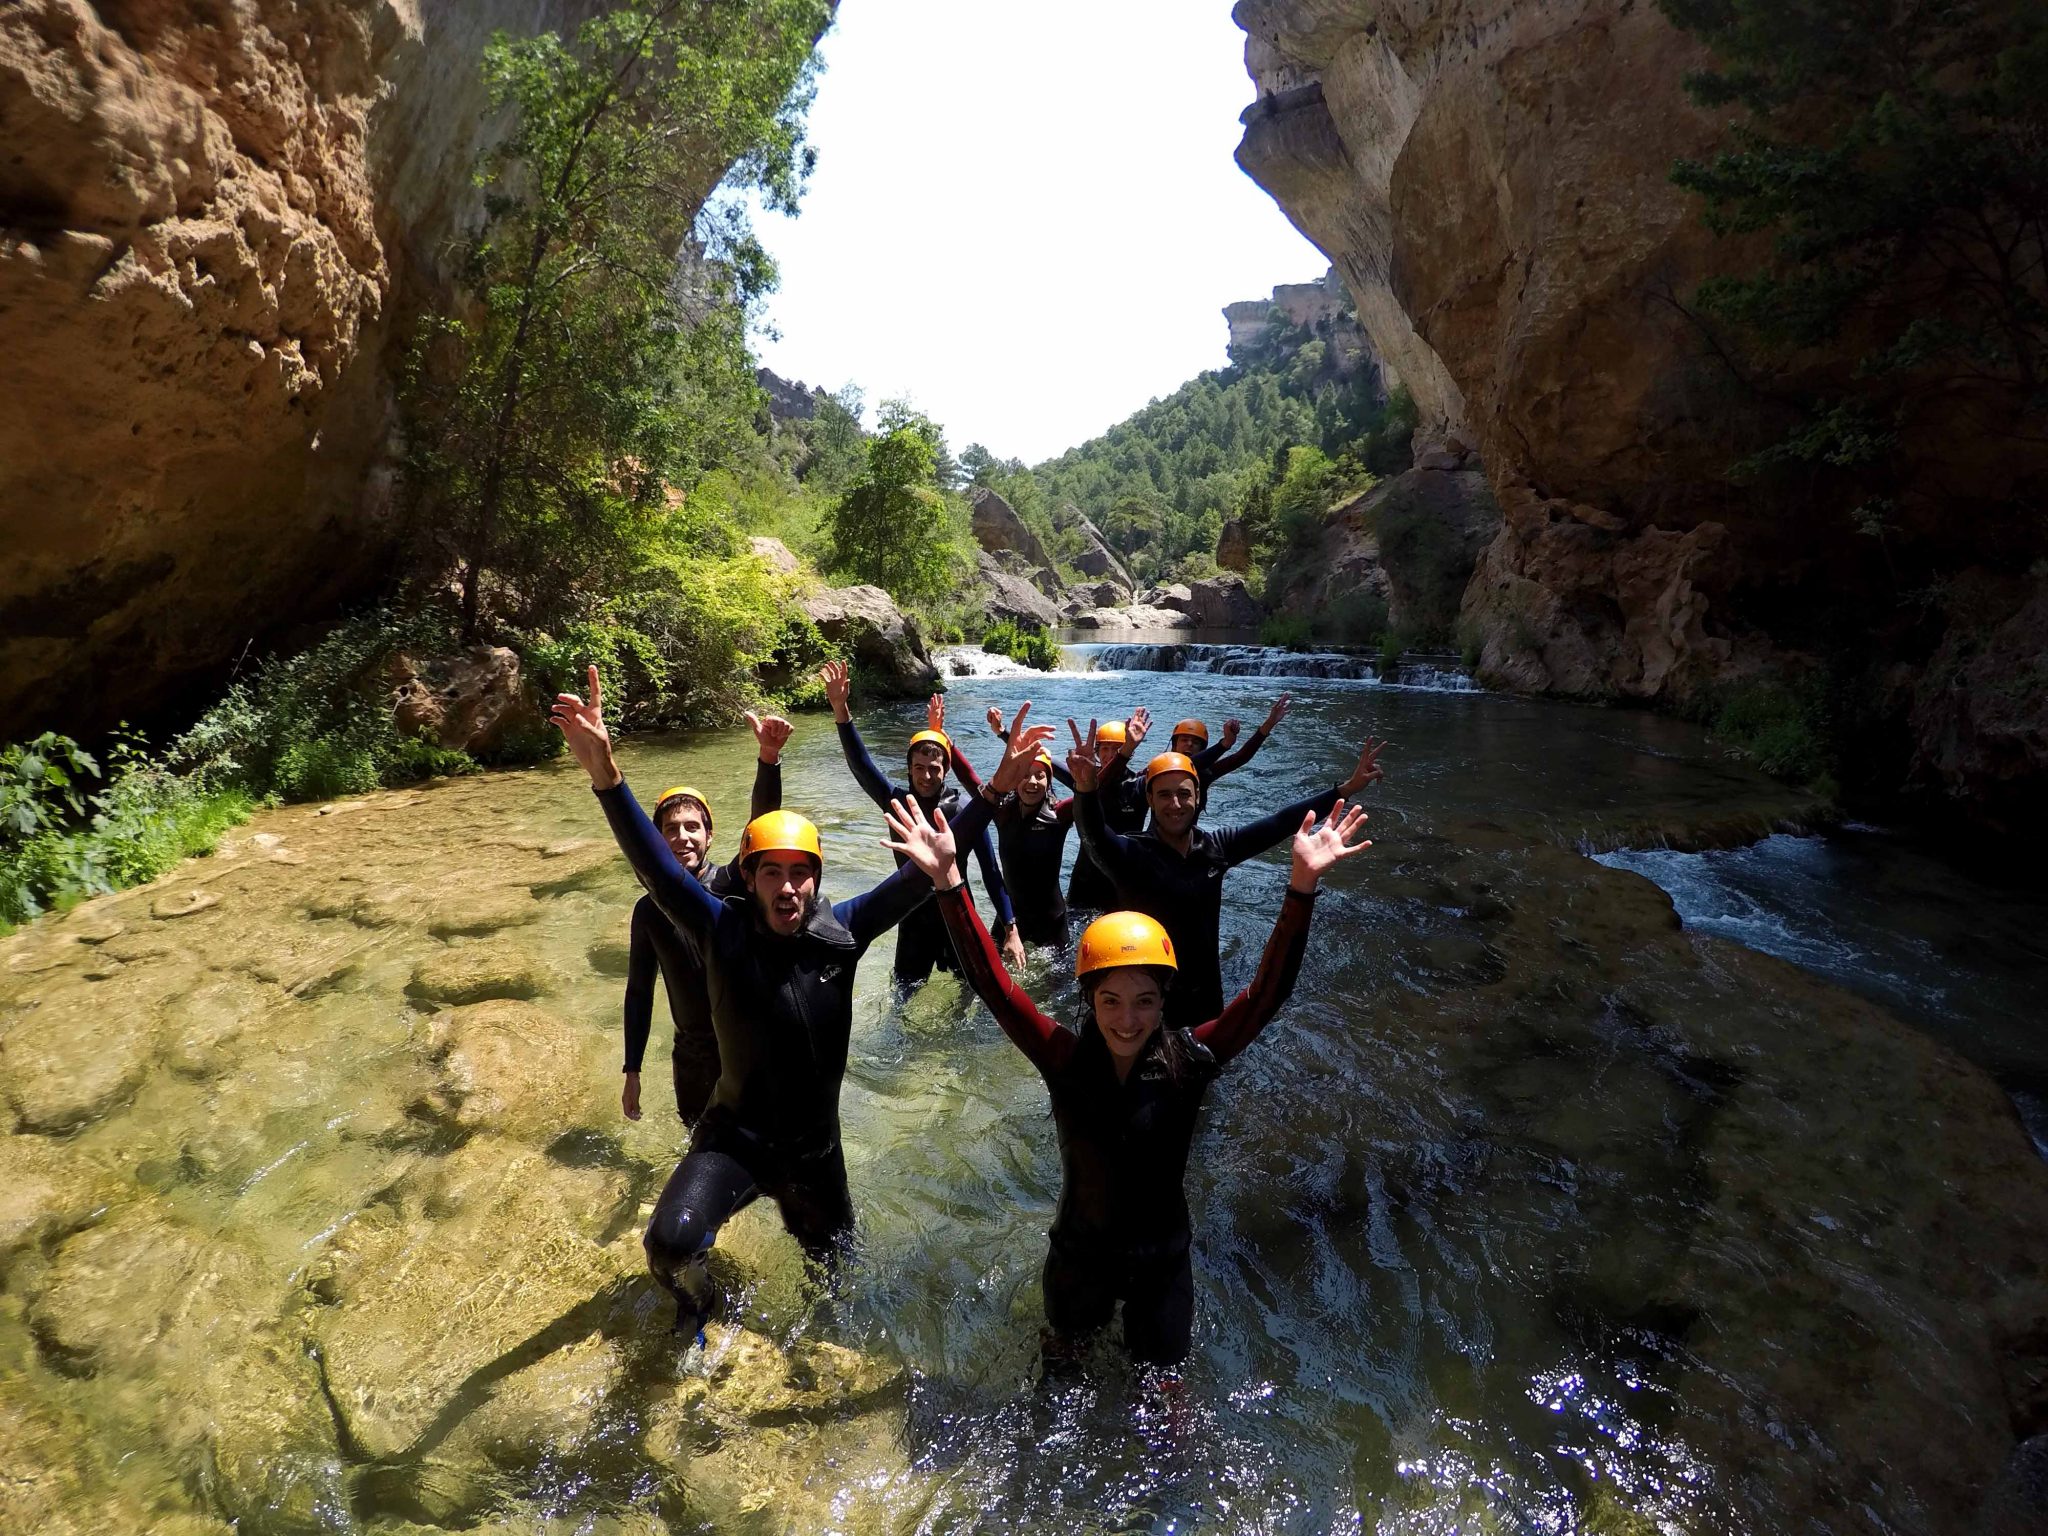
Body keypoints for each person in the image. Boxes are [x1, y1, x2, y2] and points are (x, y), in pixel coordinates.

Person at [552, 667, 1062, 1328]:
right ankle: (704, 1301)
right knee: (667, 1245)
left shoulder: (842, 934)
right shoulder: (719, 927)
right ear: (751, 878)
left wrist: (992, 792)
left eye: (801, 874)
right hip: (733, 1139)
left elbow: (924, 873)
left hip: (814, 1153)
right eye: (773, 873)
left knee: (839, 1281)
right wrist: (607, 777)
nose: (787, 888)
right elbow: (655, 871)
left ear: (816, 881)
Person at [882, 791, 1373, 1366]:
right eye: (1110, 1001)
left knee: (1167, 1410)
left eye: (1144, 1001)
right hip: (1077, 1258)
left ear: (1165, 1000)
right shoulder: (1063, 1059)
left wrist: (1301, 885)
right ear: (1088, 999)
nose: (1127, 1019)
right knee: (1061, 1370)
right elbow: (995, 987)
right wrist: (948, 881)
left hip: (1162, 1264)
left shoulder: (1191, 1060)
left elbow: (1266, 995)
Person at [1069, 722, 1385, 1031]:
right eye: (1164, 795)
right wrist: (1085, 789)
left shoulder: (1215, 847)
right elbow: (1094, 836)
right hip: (1146, 1004)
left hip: (1206, 999)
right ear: (1149, 800)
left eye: (1184, 794)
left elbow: (1279, 822)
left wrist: (1343, 790)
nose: (1175, 804)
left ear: (1198, 796)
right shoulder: (1131, 854)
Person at [621, 711, 789, 1124]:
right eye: (671, 828)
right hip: (692, 1059)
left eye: (693, 827)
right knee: (696, 1152)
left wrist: (768, 758)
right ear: (656, 840)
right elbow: (639, 992)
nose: (683, 837)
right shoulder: (647, 912)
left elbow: (761, 827)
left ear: (710, 835)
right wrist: (632, 1070)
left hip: (749, 1050)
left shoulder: (734, 885)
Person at [822, 661, 1020, 978]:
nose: (926, 776)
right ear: (909, 768)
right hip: (912, 920)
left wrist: (1010, 928)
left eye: (935, 768)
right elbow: (861, 765)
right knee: (903, 1003)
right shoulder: (898, 802)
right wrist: (840, 708)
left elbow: (991, 871)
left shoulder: (962, 809)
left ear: (946, 769)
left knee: (970, 998)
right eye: (919, 768)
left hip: (958, 916)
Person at [948, 735, 1074, 949]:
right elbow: (970, 779)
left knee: (1059, 982)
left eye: (1040, 776)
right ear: (1015, 779)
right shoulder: (1003, 812)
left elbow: (1090, 792)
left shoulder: (1059, 814)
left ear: (1049, 781)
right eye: (1024, 775)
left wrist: (1085, 775)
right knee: (986, 975)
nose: (1032, 782)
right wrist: (948, 743)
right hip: (1010, 920)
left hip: (1051, 922)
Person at [1164, 694, 1293, 810]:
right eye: (1184, 740)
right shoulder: (1159, 769)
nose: (1190, 744)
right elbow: (1186, 764)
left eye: (1195, 742)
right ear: (1175, 745)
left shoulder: (1205, 774)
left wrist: (1269, 723)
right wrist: (1225, 744)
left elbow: (1241, 757)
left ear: (1202, 749)